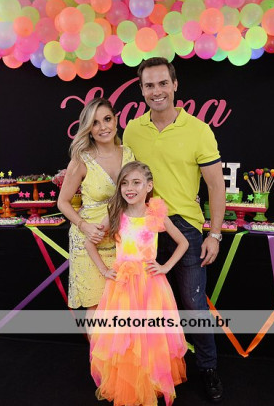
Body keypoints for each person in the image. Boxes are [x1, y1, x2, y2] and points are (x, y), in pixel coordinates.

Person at [123, 57, 226, 403]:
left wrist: (214, 234)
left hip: (184, 227)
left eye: (163, 83)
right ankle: (151, 371)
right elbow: (121, 177)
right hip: (143, 230)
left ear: (175, 85)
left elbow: (216, 185)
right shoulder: (132, 130)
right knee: (145, 306)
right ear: (141, 90)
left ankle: (208, 368)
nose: (157, 91)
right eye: (149, 85)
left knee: (193, 304)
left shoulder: (198, 130)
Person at [87, 161, 189, 406]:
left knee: (150, 336)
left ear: (149, 186)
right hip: (122, 286)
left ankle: (150, 382)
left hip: (150, 286)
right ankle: (129, 385)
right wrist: (104, 269)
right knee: (125, 337)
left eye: (136, 183)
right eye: (124, 183)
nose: (129, 188)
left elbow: (183, 242)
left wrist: (165, 267)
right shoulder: (116, 214)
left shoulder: (155, 214)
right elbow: (89, 242)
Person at [57, 97, 134, 312]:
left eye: (107, 119)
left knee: (120, 306)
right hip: (89, 240)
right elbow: (62, 202)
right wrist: (85, 227)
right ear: (89, 129)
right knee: (96, 308)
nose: (103, 127)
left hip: (120, 240)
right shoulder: (81, 160)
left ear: (116, 120)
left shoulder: (129, 154)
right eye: (95, 123)